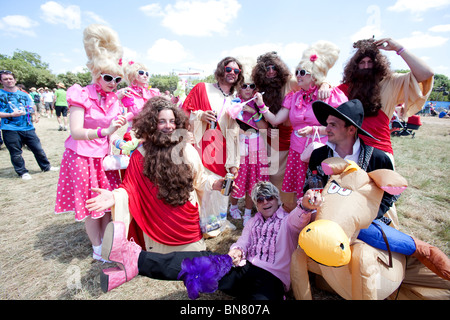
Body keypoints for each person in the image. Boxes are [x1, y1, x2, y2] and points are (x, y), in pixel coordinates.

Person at [98, 181, 313, 300]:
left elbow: (299, 218)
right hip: (243, 271)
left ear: (277, 200)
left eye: (270, 198)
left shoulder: (287, 221)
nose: (265, 202)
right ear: (256, 204)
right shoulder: (253, 222)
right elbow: (243, 242)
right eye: (260, 199)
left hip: (271, 279)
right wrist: (236, 251)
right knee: (201, 260)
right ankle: (136, 261)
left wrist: (305, 205)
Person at [86, 97, 227, 255]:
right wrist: (114, 197)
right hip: (157, 223)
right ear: (151, 124)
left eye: (172, 121)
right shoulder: (139, 155)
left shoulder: (187, 149)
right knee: (162, 263)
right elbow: (130, 188)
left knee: (195, 259)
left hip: (188, 223)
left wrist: (216, 184)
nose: (168, 126)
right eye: (162, 121)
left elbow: (200, 180)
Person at [54, 24, 127, 262]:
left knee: (107, 204)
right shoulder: (80, 93)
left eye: (117, 78)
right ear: (96, 72)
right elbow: (75, 132)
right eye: (108, 77)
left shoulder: (114, 98)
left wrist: (120, 142)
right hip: (82, 158)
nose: (113, 82)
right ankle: (98, 249)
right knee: (91, 208)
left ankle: (108, 244)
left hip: (104, 160)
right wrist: (105, 130)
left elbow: (111, 135)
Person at [259, 41, 347, 201]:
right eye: (297, 72)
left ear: (314, 75)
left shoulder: (330, 94)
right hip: (297, 151)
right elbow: (276, 119)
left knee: (321, 190)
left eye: (302, 72)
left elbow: (342, 126)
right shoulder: (294, 96)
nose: (297, 75)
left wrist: (314, 130)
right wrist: (260, 105)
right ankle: (302, 218)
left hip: (321, 151)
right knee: (300, 192)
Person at [338, 37, 434, 165]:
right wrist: (325, 84)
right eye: (362, 62)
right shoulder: (347, 87)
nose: (366, 66)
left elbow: (426, 73)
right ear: (355, 65)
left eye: (370, 62)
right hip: (351, 150)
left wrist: (398, 48)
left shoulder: (391, 82)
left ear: (377, 64)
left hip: (380, 149)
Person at [302, 99, 396, 224]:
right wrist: (311, 198)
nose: (327, 129)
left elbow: (391, 193)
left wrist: (370, 214)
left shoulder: (377, 158)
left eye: (333, 125)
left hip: (364, 223)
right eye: (327, 124)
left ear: (351, 130)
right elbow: (309, 185)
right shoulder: (319, 155)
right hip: (324, 220)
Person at [182, 57, 242, 235]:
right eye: (228, 69)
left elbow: (234, 131)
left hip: (224, 152)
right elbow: (184, 113)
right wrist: (199, 115)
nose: (232, 73)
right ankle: (198, 224)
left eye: (236, 71)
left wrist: (234, 160)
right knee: (200, 184)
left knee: (221, 186)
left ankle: (216, 224)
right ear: (220, 70)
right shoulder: (202, 88)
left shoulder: (235, 99)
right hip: (202, 147)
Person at [228, 57, 269, 225]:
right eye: (244, 85)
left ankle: (248, 212)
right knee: (238, 177)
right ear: (239, 86)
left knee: (253, 179)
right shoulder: (233, 102)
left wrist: (253, 111)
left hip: (256, 146)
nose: (248, 89)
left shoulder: (258, 104)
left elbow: (264, 127)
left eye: (252, 86)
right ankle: (233, 206)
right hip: (239, 146)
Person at [0, 70, 59, 180]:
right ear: (1, 81)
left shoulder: (23, 94)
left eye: (10, 78)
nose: (9, 81)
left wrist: (35, 114)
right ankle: (22, 172)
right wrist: (11, 114)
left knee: (38, 149)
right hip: (10, 128)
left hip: (27, 127)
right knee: (16, 153)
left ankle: (46, 167)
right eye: (5, 79)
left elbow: (32, 106)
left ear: (15, 80)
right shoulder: (1, 94)